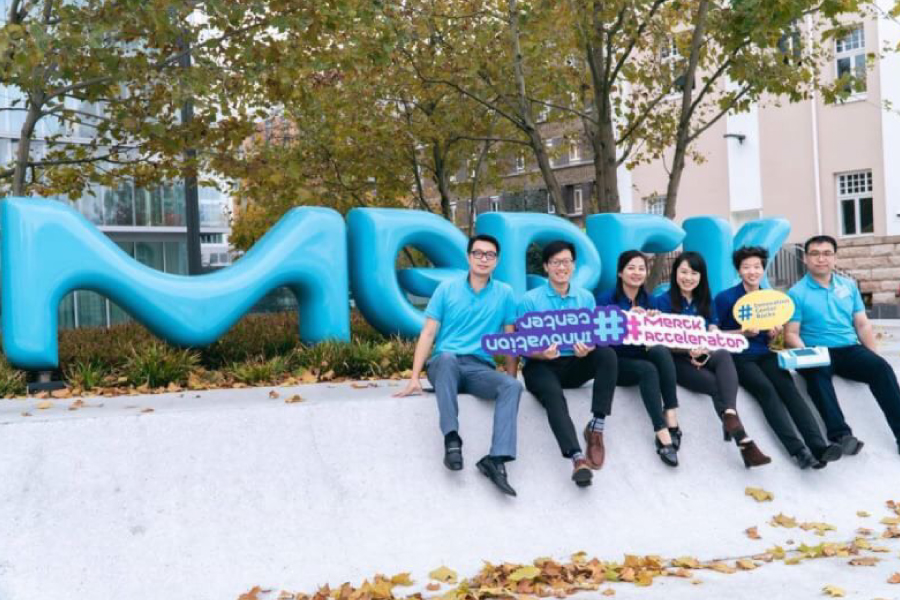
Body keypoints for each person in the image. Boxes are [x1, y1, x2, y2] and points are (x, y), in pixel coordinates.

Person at [395, 234, 523, 496]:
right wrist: (414, 377)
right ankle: (452, 438)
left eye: (489, 255)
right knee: (446, 358)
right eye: (478, 253)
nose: (483, 259)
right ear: (468, 257)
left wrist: (511, 376)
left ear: (497, 260)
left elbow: (510, 340)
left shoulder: (505, 293)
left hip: (479, 368)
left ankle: (496, 459)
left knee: (512, 387)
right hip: (445, 364)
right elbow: (428, 333)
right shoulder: (446, 289)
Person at [714, 246, 842, 469]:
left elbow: (776, 341)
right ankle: (798, 451)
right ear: (738, 270)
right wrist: (741, 333)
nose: (752, 272)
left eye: (757, 267)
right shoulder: (725, 298)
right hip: (739, 357)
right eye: (746, 267)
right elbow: (714, 334)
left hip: (766, 354)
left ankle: (818, 446)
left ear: (763, 269)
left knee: (790, 391)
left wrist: (775, 334)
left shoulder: (770, 299)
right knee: (767, 392)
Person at [785, 234, 900, 456]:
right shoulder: (796, 293)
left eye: (827, 253)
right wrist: (808, 354)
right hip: (817, 350)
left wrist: (873, 356)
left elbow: (862, 324)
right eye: (815, 254)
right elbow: (791, 333)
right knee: (816, 375)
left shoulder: (849, 286)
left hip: (848, 348)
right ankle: (841, 436)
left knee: (881, 369)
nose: (821, 259)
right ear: (805, 259)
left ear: (835, 258)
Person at [515, 240, 618, 487]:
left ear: (573, 265)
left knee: (607, 354)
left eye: (566, 262)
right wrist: (541, 353)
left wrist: (588, 348)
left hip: (573, 362)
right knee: (553, 395)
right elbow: (520, 345)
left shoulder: (585, 298)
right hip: (540, 366)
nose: (562, 267)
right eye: (556, 262)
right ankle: (577, 457)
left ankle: (596, 428)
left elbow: (593, 335)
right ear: (546, 267)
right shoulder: (529, 300)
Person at [656, 252, 771, 468]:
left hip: (703, 354)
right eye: (684, 272)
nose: (688, 277)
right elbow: (658, 342)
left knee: (723, 354)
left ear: (701, 276)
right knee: (716, 387)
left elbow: (714, 333)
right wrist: (688, 349)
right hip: (677, 361)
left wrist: (707, 349)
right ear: (675, 273)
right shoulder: (662, 302)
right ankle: (743, 440)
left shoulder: (705, 302)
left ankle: (730, 416)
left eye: (694, 273)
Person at [596, 250, 680, 466]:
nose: (637, 273)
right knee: (647, 370)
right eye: (631, 268)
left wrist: (655, 324)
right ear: (620, 273)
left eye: (641, 268)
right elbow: (599, 340)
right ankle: (661, 431)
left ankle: (671, 413)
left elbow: (656, 340)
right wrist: (626, 322)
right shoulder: (605, 300)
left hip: (640, 354)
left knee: (661, 351)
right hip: (616, 363)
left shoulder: (649, 300)